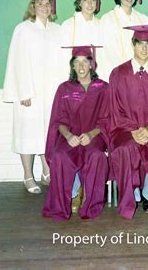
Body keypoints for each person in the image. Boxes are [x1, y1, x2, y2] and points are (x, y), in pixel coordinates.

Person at [109, 25, 148, 219]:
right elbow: (115, 110)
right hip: (126, 130)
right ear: (133, 44)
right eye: (140, 44)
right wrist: (133, 131)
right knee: (125, 149)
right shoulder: (118, 74)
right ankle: (131, 196)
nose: (144, 49)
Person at [3, 0, 62, 194]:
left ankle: (47, 170)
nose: (45, 7)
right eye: (40, 4)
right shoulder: (23, 29)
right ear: (33, 6)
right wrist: (24, 92)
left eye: (47, 4)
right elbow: (17, 62)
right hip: (31, 92)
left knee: (46, 133)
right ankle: (28, 175)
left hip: (51, 91)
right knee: (28, 133)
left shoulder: (57, 30)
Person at [43, 45, 110, 221]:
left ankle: (90, 200)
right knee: (60, 156)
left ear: (92, 64)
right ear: (72, 65)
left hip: (94, 136)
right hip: (70, 136)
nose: (81, 66)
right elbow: (58, 120)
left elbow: (107, 118)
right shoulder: (64, 88)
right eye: (76, 62)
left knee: (96, 156)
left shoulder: (103, 88)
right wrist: (69, 136)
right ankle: (68, 198)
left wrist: (91, 134)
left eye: (85, 61)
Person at [60, 0, 110, 80]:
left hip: (99, 78)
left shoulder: (102, 25)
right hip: (76, 78)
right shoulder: (68, 25)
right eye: (85, 0)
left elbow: (105, 56)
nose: (90, 4)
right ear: (79, 3)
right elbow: (63, 57)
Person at [101, 0, 148, 69]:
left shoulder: (144, 19)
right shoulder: (108, 19)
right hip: (117, 72)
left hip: (140, 73)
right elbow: (107, 53)